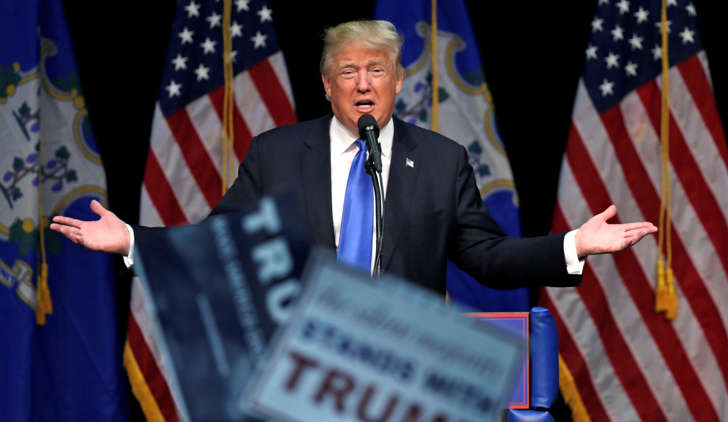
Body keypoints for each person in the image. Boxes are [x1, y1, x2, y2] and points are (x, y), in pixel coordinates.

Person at [51, 20, 656, 295]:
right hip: (302, 380)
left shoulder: (442, 161)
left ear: (397, 83)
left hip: (407, 384)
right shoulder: (279, 154)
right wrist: (131, 239)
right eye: (349, 71)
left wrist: (572, 245)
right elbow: (220, 248)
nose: (363, 83)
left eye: (377, 70)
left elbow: (488, 258)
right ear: (327, 85)